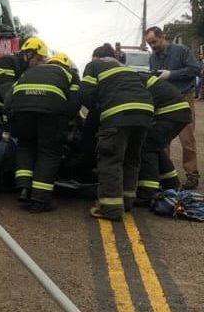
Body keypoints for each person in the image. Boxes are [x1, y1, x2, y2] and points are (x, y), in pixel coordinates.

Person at [81, 57, 153, 220]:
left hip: (117, 114)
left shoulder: (93, 65)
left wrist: (97, 111)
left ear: (96, 57)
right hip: (144, 113)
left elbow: (85, 92)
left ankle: (110, 209)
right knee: (132, 159)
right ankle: (127, 201)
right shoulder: (127, 70)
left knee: (111, 159)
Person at [9, 51, 81, 212]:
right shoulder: (70, 74)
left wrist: (11, 116)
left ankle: (24, 188)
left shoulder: (30, 71)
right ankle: (40, 200)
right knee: (48, 152)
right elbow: (75, 103)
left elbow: (9, 99)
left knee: (26, 146)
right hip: (51, 112)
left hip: (21, 110)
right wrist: (66, 119)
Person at [146, 26, 202, 189]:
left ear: (162, 37)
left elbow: (195, 69)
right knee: (161, 138)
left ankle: (192, 175)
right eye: (150, 44)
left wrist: (171, 74)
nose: (153, 46)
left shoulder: (181, 51)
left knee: (187, 139)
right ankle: (165, 174)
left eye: (154, 42)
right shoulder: (153, 57)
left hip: (183, 98)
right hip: (163, 102)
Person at [0, 36, 48, 146]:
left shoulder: (24, 69)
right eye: (38, 59)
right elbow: (8, 93)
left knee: (9, 136)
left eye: (42, 60)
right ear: (29, 54)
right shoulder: (7, 62)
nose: (39, 64)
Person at [136, 72, 192, 202]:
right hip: (180, 112)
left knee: (147, 148)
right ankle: (171, 183)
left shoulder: (129, 81)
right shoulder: (136, 77)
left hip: (169, 113)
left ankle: (147, 193)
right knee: (157, 147)